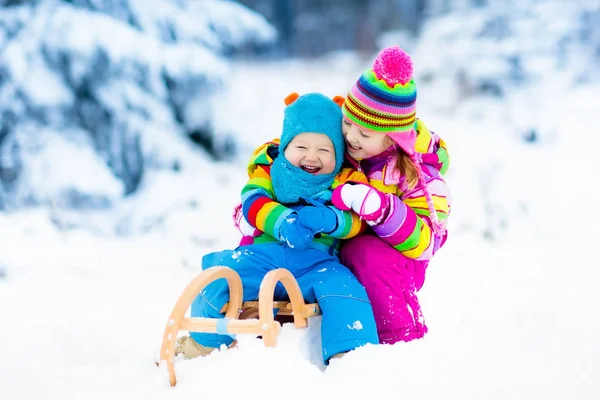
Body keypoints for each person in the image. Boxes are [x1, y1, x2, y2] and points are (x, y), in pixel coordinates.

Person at [176, 92, 379, 365]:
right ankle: (204, 343)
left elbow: (357, 220)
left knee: (345, 289)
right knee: (220, 276)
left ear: (338, 155)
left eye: (324, 150)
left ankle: (351, 355)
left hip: (317, 263)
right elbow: (253, 200)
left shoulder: (346, 180)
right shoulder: (270, 170)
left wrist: (330, 219)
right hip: (262, 256)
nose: (312, 156)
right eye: (301, 147)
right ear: (285, 146)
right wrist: (283, 222)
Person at [331, 46, 452, 344]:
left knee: (365, 254)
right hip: (345, 246)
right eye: (347, 123)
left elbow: (425, 243)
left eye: (365, 133)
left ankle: (400, 336)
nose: (351, 136)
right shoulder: (346, 149)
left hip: (397, 263)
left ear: (393, 137)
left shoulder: (420, 176)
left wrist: (381, 209)